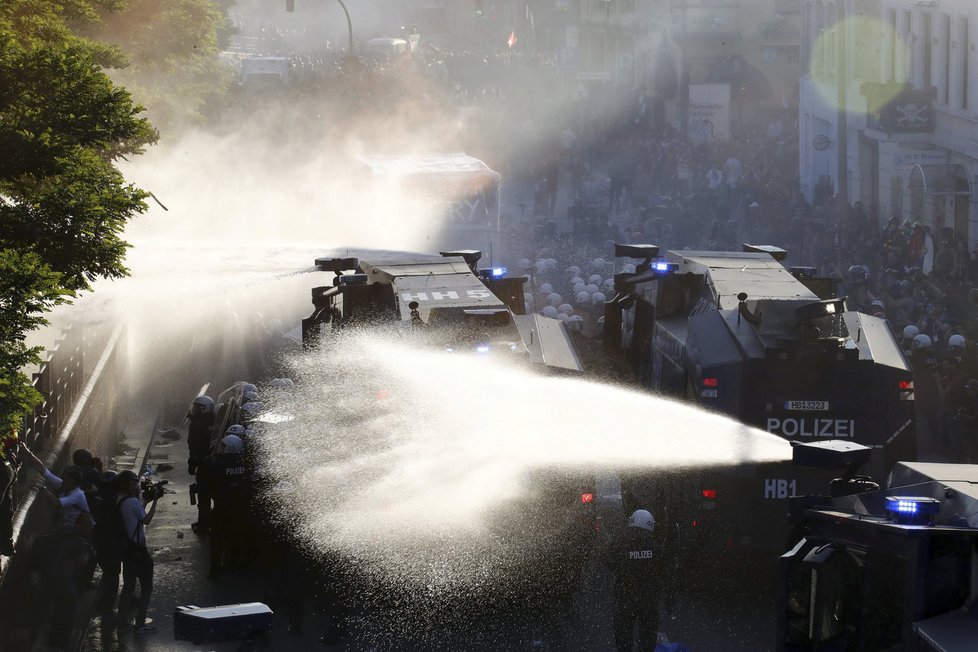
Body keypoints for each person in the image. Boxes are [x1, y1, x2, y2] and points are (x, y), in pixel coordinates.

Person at [603, 509, 663, 651]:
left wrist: (623, 571)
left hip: (625, 596)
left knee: (623, 632)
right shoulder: (654, 542)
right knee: (648, 633)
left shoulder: (621, 539)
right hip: (648, 598)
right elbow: (663, 566)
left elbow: (607, 559)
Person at [115, 469, 160, 634]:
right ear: (127, 484)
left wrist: (145, 503)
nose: (136, 485)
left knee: (128, 587)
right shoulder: (132, 502)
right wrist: (155, 501)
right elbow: (146, 520)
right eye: (134, 482)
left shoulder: (119, 500)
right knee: (147, 587)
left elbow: (134, 517)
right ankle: (140, 624)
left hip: (127, 550)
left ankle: (121, 623)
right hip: (139, 551)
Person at [45, 512, 97, 652]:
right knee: (68, 613)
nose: (90, 529)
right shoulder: (78, 540)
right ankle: (64, 644)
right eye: (88, 526)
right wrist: (88, 552)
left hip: (52, 575)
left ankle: (53, 641)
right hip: (65, 577)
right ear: (81, 526)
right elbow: (81, 564)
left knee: (58, 610)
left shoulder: (64, 530)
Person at [201, 433, 250, 580]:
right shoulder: (245, 464)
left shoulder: (215, 464)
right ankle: (237, 565)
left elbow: (206, 484)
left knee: (216, 540)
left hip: (221, 508)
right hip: (239, 508)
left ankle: (215, 570)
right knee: (237, 537)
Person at [21, 444, 89, 527]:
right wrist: (28, 453)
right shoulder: (63, 484)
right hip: (66, 525)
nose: (63, 482)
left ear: (74, 484)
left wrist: (42, 488)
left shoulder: (78, 495)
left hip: (79, 528)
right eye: (64, 479)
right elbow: (42, 470)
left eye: (67, 481)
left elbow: (57, 503)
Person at [187, 395, 215, 534]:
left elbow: (195, 447)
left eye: (197, 408)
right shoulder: (213, 422)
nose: (194, 411)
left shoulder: (197, 425)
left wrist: (192, 463)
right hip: (212, 463)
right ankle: (210, 522)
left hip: (203, 465)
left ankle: (203, 525)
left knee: (203, 497)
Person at [0, 428, 20, 556]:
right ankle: (7, 545)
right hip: (7, 466)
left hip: (4, 469)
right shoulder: (8, 423)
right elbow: (14, 440)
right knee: (5, 507)